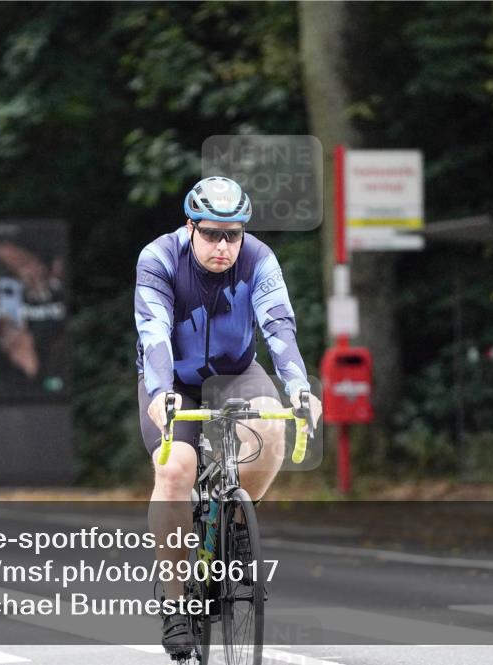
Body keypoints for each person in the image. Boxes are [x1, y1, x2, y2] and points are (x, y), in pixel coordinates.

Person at [134, 176, 322, 654]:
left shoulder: (258, 259)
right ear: (190, 226)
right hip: (172, 379)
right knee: (176, 468)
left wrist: (299, 388)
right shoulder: (159, 259)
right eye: (212, 233)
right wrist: (159, 392)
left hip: (238, 370)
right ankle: (176, 605)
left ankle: (236, 527)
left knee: (273, 428)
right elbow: (153, 331)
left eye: (233, 234)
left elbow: (278, 326)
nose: (223, 245)